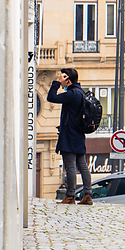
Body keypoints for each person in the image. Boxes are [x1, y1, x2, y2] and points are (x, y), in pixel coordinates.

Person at [47, 67, 93, 205]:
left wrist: (56, 83)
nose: (61, 78)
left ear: (68, 79)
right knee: (82, 165)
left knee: (71, 166)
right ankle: (87, 194)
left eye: (63, 76)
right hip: (78, 134)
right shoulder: (80, 92)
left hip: (69, 135)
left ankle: (70, 196)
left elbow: (51, 97)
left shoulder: (72, 94)